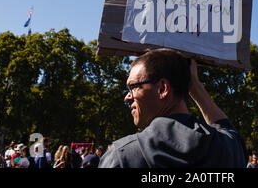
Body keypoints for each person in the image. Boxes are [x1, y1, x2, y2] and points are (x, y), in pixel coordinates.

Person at [99, 48, 247, 168]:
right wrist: (194, 84)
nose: (127, 97)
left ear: (163, 89)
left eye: (133, 87)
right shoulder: (227, 150)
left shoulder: (122, 157)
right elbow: (230, 134)